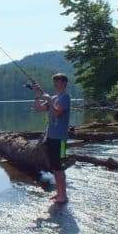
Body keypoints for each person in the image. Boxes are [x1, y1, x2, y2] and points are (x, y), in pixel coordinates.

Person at [33, 73, 71, 203]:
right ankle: (59, 193)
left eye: (58, 81)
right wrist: (37, 95)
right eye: (54, 81)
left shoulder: (65, 97)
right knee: (54, 167)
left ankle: (63, 195)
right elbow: (38, 109)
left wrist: (49, 100)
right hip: (50, 137)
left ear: (64, 83)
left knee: (60, 167)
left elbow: (57, 113)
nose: (55, 84)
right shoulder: (54, 97)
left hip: (60, 139)